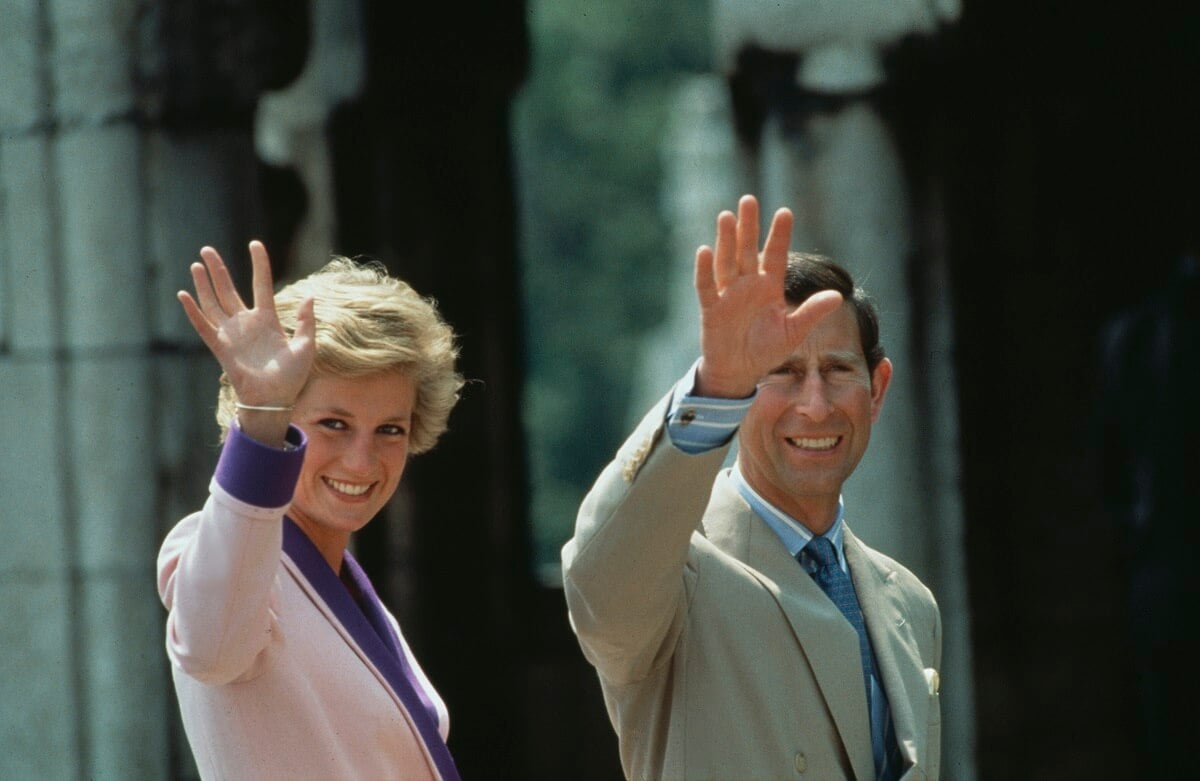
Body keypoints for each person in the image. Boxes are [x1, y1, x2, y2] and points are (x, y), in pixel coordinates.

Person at [562, 195, 942, 780]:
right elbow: (599, 584)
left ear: (878, 388)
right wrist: (715, 387)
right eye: (780, 373)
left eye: (837, 370)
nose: (814, 407)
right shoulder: (677, 574)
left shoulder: (912, 606)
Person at [157, 241, 463, 780]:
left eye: (389, 430)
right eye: (334, 424)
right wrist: (261, 419)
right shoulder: (220, 554)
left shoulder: (342, 581)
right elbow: (210, 649)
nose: (362, 460)